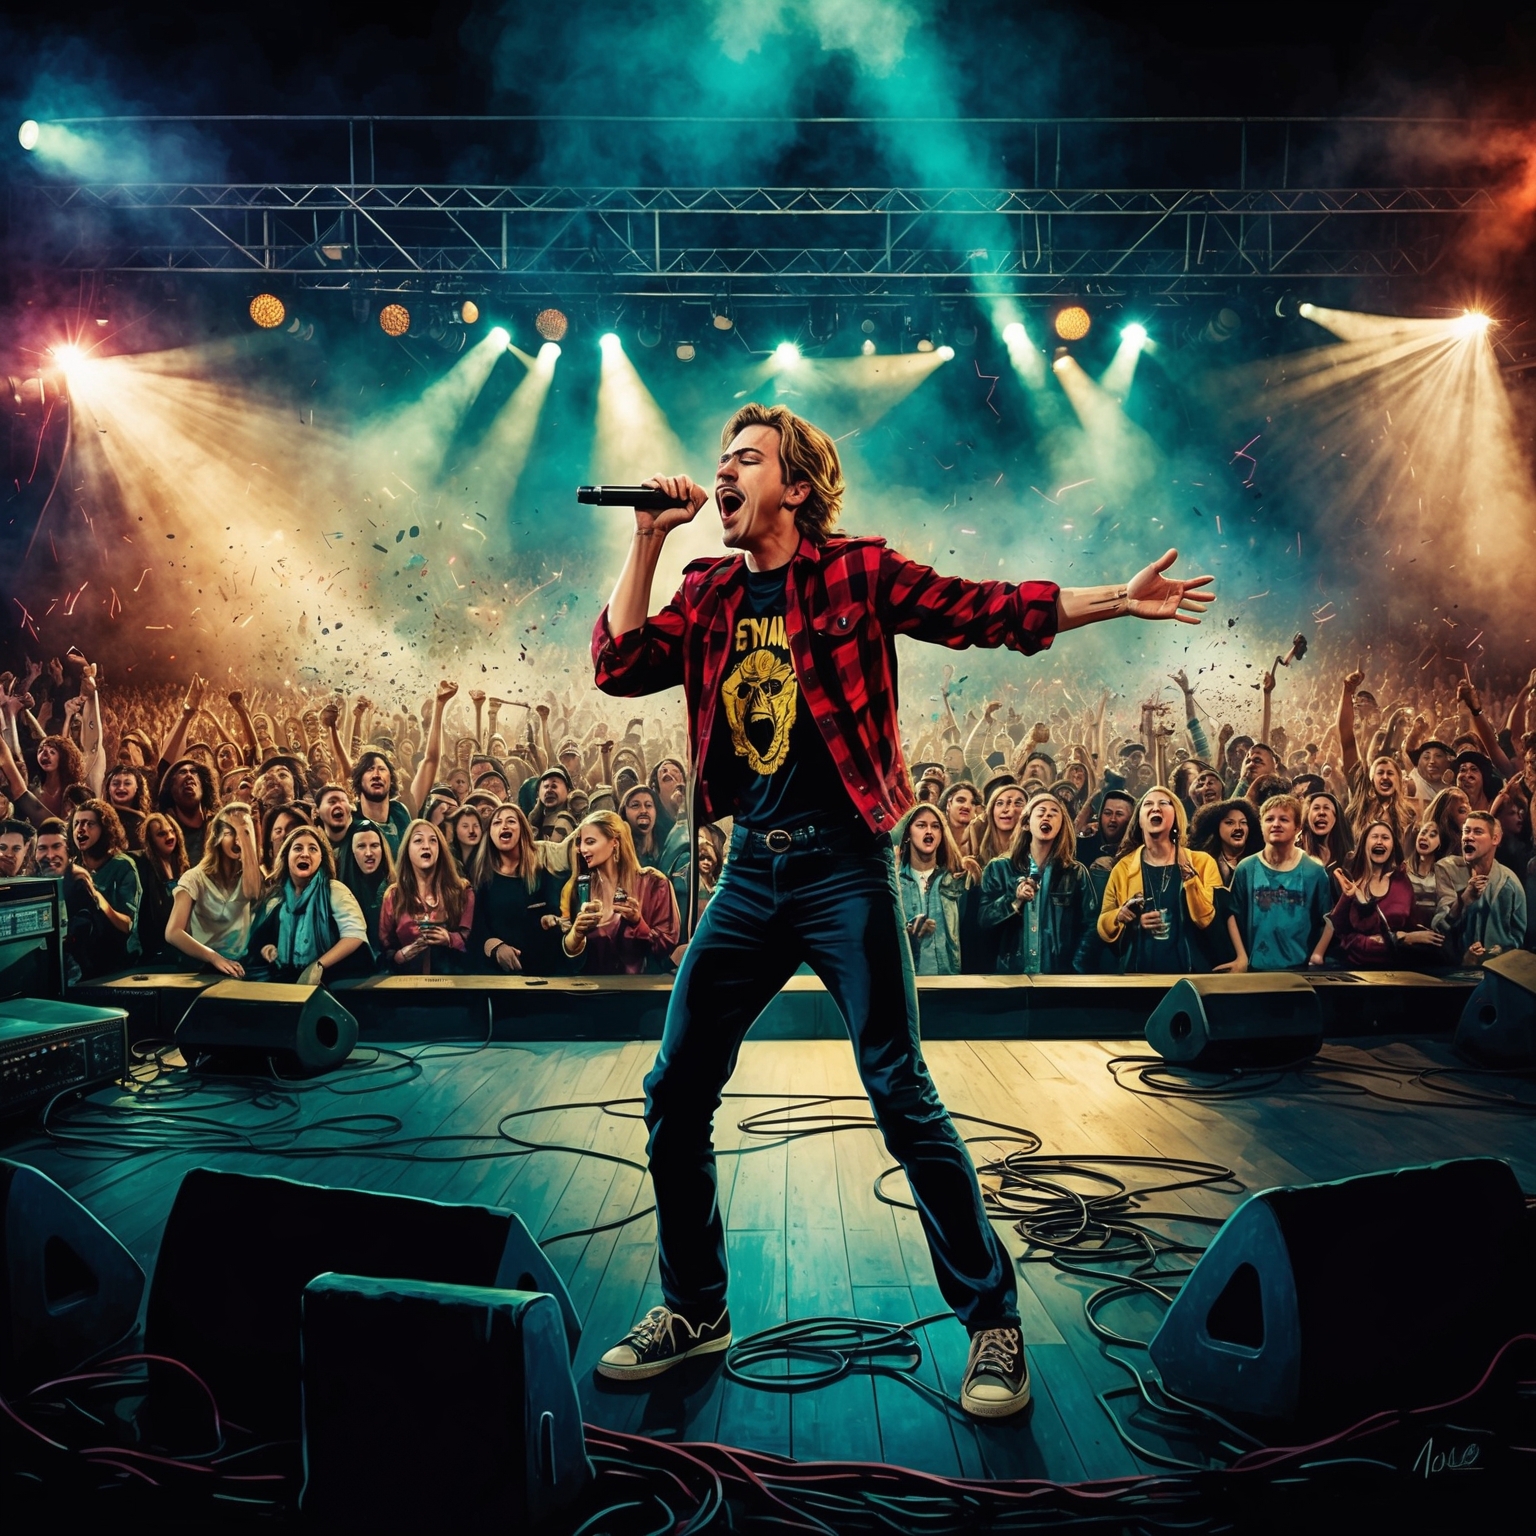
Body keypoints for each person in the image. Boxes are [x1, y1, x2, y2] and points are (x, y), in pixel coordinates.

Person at [588, 398, 1214, 1416]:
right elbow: (617, 666)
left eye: (745, 459)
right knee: (674, 1094)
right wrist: (649, 538)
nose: (724, 473)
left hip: (844, 870)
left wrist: (1115, 600)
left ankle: (993, 1322)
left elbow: (990, 611)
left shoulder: (858, 572)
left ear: (795, 486)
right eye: (720, 461)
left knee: (898, 1091)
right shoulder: (703, 591)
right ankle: (695, 1308)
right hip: (750, 873)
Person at [1097, 787, 1222, 973]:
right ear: (1139, 820)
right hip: (1139, 975)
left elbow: (1209, 921)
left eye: (1163, 803)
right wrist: (1121, 917)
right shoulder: (1123, 868)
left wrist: (1191, 881)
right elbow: (1103, 925)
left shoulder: (1202, 863)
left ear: (1176, 816)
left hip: (1190, 974)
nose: (1156, 808)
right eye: (1148, 804)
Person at [979, 791, 1096, 974]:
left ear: (1061, 826)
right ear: (1026, 823)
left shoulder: (1075, 873)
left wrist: (1075, 967)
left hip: (1058, 977)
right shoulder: (999, 868)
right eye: (1040, 812)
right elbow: (983, 920)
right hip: (1011, 976)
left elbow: (1091, 925)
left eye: (1053, 813)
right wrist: (1014, 900)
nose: (1047, 816)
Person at [558, 811, 679, 975]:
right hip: (591, 992)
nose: (582, 849)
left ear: (614, 842)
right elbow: (565, 958)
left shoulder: (654, 883)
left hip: (640, 992)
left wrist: (638, 923)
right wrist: (576, 934)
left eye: (590, 842)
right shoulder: (578, 887)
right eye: (580, 843)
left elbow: (666, 947)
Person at [1311, 820, 1442, 970]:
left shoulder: (1401, 881)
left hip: (1396, 971)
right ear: (1364, 844)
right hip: (1354, 969)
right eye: (1374, 837)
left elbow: (1411, 924)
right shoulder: (1348, 879)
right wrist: (1399, 938)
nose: (1379, 841)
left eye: (1385, 838)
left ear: (1393, 846)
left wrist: (1408, 937)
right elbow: (1340, 929)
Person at [1225, 794, 1333, 972]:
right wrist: (1241, 956)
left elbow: (1328, 918)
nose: (1276, 824)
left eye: (1284, 819)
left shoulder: (1313, 871)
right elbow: (1232, 915)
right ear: (1261, 825)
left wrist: (1317, 955)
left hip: (1300, 969)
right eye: (1269, 819)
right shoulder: (1246, 869)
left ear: (1297, 827)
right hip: (1256, 968)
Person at [249, 826, 369, 985]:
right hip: (282, 980)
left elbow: (355, 934)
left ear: (322, 858)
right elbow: (259, 940)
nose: (305, 854)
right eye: (298, 848)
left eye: (312, 849)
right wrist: (268, 949)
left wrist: (318, 965)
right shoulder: (275, 897)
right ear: (286, 856)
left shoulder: (333, 890)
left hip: (327, 980)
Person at [467, 802, 570, 975]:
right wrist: (496, 947)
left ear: (522, 829)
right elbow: (476, 926)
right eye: (497, 822)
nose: (504, 826)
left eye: (511, 821)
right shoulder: (481, 876)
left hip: (540, 975)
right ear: (490, 833)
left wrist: (552, 920)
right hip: (496, 976)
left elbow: (556, 916)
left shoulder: (542, 873)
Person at [165, 803, 262, 977]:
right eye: (229, 833)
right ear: (217, 838)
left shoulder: (250, 878)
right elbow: (173, 932)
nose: (237, 840)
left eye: (244, 833)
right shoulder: (195, 878)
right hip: (201, 965)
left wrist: (245, 834)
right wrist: (214, 957)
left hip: (240, 966)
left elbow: (252, 892)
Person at [1431, 811, 1528, 968]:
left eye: (1478, 832)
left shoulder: (1509, 884)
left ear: (1495, 839)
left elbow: (1518, 937)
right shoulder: (1448, 870)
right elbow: (1439, 928)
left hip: (1497, 972)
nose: (1469, 837)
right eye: (1466, 831)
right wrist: (1462, 901)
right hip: (1452, 972)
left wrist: (1496, 953)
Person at [378, 819, 474, 974]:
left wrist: (450, 939)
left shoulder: (462, 892)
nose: (426, 846)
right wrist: (400, 956)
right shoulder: (394, 896)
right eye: (418, 840)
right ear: (407, 850)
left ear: (440, 849)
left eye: (433, 841)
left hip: (454, 985)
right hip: (407, 987)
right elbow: (384, 947)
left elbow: (473, 942)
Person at [68, 799, 142, 978]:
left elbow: (127, 925)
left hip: (117, 962)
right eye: (77, 823)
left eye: (89, 824)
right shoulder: (73, 867)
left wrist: (95, 895)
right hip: (81, 962)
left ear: (105, 829)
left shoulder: (122, 866)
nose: (81, 829)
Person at [895, 805, 969, 975]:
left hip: (948, 981)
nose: (929, 831)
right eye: (921, 825)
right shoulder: (896, 882)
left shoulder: (955, 880)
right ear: (908, 834)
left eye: (935, 826)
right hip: (908, 980)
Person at [133, 812, 188, 966]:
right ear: (150, 840)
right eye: (161, 834)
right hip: (156, 949)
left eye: (172, 831)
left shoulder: (181, 864)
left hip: (182, 943)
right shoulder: (142, 864)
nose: (169, 836)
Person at [342, 824, 394, 959]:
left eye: (375, 845)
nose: (369, 853)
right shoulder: (340, 890)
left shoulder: (396, 888)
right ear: (351, 852)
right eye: (361, 846)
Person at [156, 757, 218, 863]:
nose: (189, 775)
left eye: (193, 772)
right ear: (171, 788)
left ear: (203, 786)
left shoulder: (218, 825)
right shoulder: (163, 832)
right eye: (182, 772)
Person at [1190, 797, 1261, 888]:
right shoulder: (1204, 863)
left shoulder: (1259, 860)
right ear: (1216, 827)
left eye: (1243, 822)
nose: (1238, 828)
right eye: (1229, 823)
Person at [1076, 788, 1135, 868]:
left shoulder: (1137, 852)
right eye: (1107, 813)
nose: (1113, 819)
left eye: (1119, 814)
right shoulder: (1082, 847)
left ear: (1131, 819)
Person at [1300, 791, 1354, 878]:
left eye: (1326, 808)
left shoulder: (1348, 858)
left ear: (1336, 817)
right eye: (1316, 808)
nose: (1321, 812)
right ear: (1307, 817)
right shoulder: (1295, 852)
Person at [1404, 819, 1446, 931]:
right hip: (1406, 933)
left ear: (1440, 843)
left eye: (1432, 835)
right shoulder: (1403, 870)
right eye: (1423, 832)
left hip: (1435, 933)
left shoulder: (1443, 874)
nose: (1425, 837)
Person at [104, 764, 153, 852]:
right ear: (109, 788)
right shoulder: (100, 816)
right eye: (115, 784)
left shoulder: (145, 822)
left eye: (127, 783)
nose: (121, 788)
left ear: (137, 788)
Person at [446, 803, 484, 876]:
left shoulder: (488, 855)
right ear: (455, 829)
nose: (471, 831)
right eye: (465, 826)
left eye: (476, 826)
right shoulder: (446, 856)